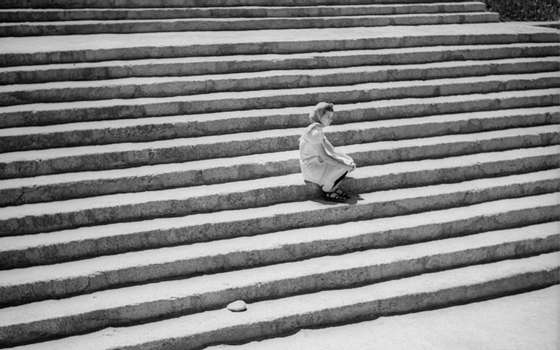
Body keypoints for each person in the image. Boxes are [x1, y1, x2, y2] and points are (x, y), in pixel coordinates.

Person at [299, 102, 356, 202]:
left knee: (347, 161)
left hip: (316, 163)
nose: (331, 119)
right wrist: (345, 166)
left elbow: (331, 150)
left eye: (331, 116)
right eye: (328, 116)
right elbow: (325, 157)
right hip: (312, 168)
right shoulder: (315, 133)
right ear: (319, 116)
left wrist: (345, 161)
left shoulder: (317, 129)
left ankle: (333, 187)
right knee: (344, 166)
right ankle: (328, 189)